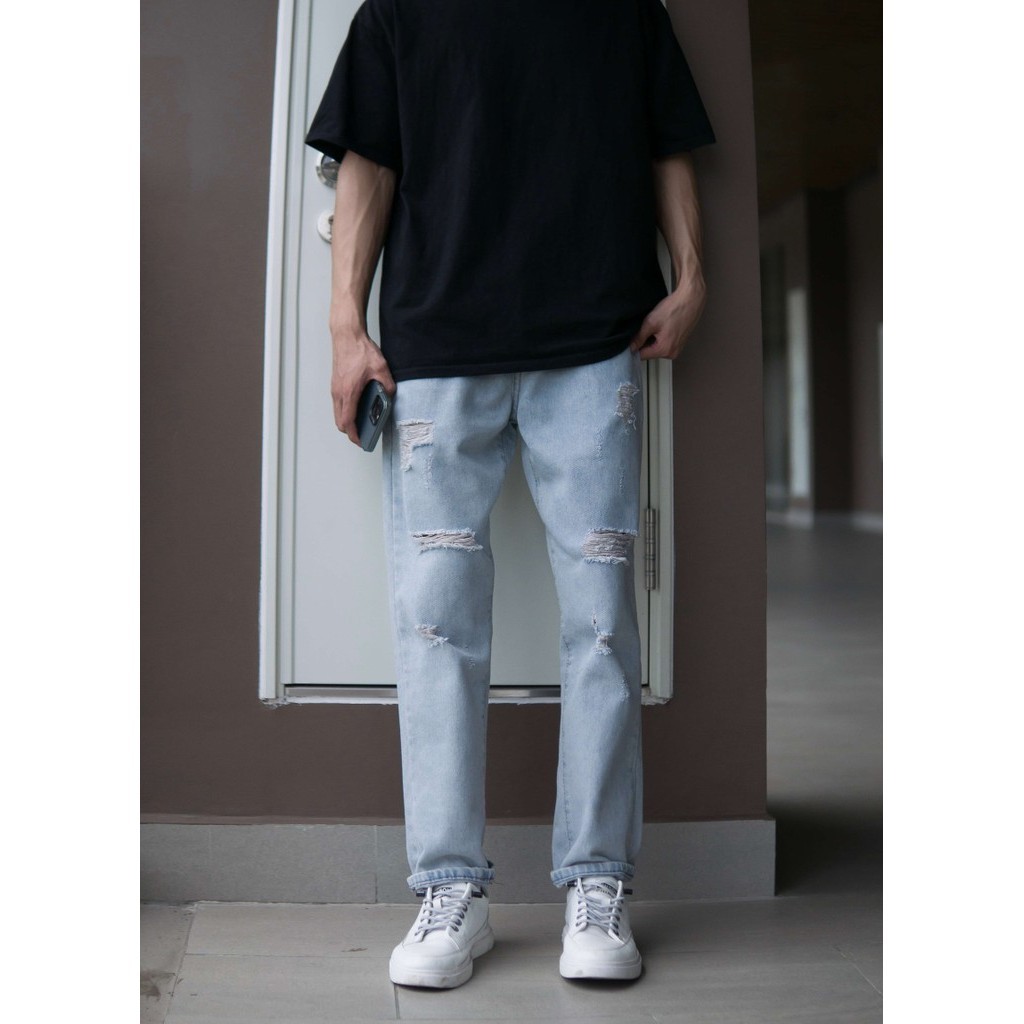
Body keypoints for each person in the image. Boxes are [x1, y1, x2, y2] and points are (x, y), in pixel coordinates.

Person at [305, 0, 715, 989]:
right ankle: (449, 890)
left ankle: (598, 883)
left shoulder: (628, 10)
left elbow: (666, 143)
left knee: (603, 624)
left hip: (595, 339)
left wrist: (694, 276)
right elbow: (367, 162)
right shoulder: (397, 9)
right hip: (437, 347)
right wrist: (345, 329)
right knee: (436, 623)